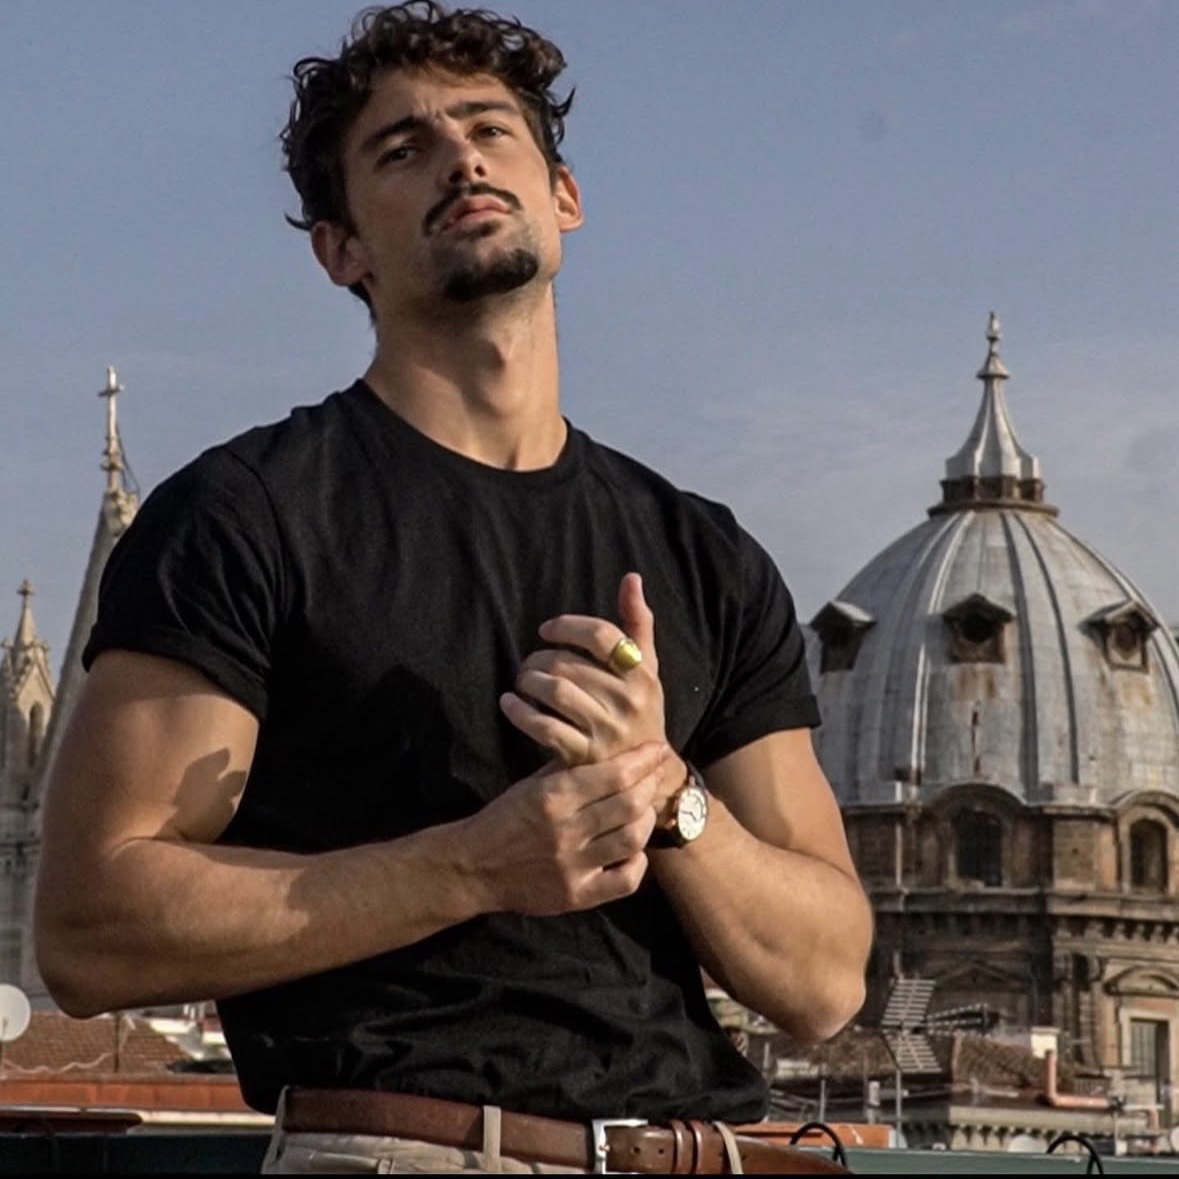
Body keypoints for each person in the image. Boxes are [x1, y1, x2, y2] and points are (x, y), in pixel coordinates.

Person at [33, 2, 873, 1173]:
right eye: (403, 149)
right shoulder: (246, 516)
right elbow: (90, 929)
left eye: (489, 130)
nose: (461, 160)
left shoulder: (704, 554)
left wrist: (663, 788)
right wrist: (472, 866)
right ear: (341, 251)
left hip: (691, 1151)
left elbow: (825, 982)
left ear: (564, 196)